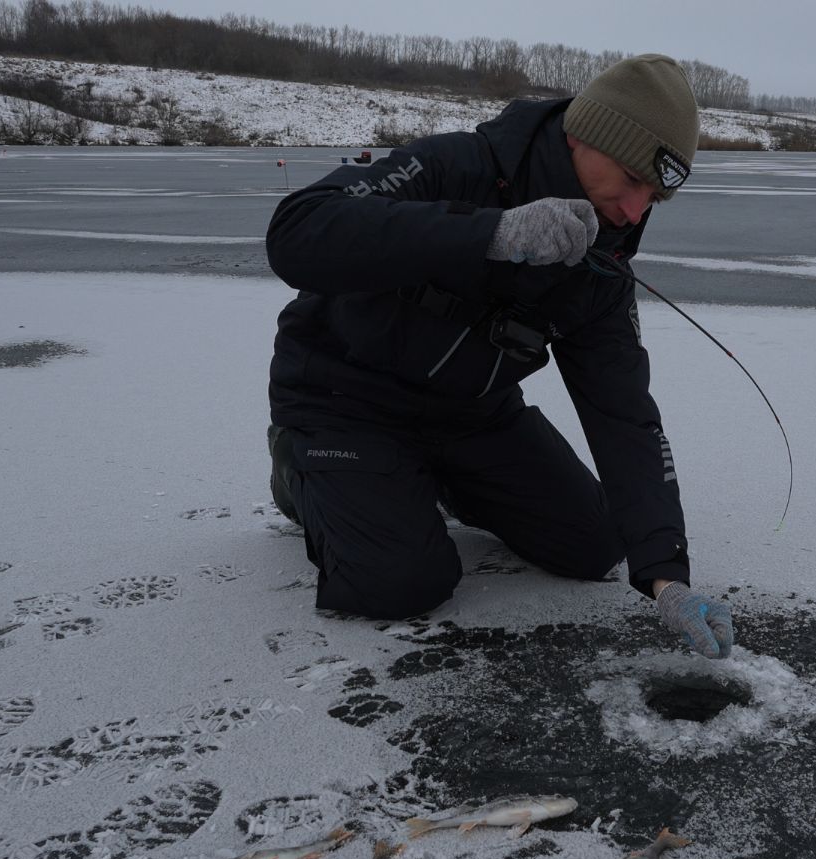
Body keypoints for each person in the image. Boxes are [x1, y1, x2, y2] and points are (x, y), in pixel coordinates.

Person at [263, 54, 734, 659]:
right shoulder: (458, 164)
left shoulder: (601, 263)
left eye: (656, 197)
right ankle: (295, 472)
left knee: (593, 545)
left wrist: (668, 577)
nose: (635, 210)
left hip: (473, 414)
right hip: (346, 402)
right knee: (402, 581)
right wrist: (490, 234)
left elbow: (623, 414)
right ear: (583, 137)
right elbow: (298, 232)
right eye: (631, 178)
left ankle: (438, 482)